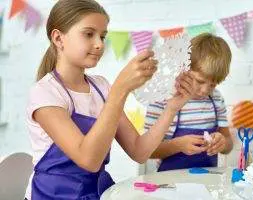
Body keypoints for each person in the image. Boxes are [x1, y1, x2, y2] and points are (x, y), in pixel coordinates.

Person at [24, 0, 194, 199]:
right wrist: (120, 90)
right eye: (89, 34)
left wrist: (172, 108)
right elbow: (88, 159)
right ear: (58, 38)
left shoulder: (101, 87)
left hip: (96, 193)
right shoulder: (45, 92)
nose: (99, 44)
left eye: (102, 36)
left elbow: (139, 151)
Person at [145, 33, 234, 171]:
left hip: (206, 181)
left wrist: (223, 142)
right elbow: (147, 151)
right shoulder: (162, 99)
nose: (205, 90)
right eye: (200, 81)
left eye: (213, 85)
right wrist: (178, 145)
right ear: (184, 67)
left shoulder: (216, 99)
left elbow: (228, 144)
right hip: (169, 182)